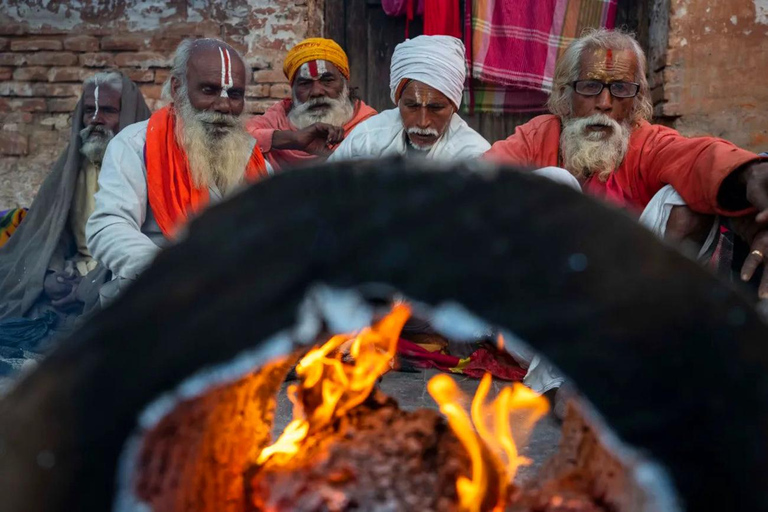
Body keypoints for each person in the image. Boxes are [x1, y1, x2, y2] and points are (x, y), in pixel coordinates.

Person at [484, 29, 768, 297]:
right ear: (566, 93)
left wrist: (749, 174)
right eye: (590, 86)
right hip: (544, 296)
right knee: (551, 183)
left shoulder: (645, 142)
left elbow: (697, 157)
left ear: (636, 99)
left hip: (629, 297)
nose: (605, 103)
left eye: (620, 88)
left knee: (682, 200)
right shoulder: (539, 135)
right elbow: (481, 178)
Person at [86, 38, 270, 305]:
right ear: (177, 87)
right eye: (209, 90)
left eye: (235, 94)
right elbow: (108, 226)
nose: (223, 106)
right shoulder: (135, 145)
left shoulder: (249, 153)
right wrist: (173, 271)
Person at [0, 72, 150, 344]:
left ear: (128, 114)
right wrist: (49, 274)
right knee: (21, 297)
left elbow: (143, 249)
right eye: (89, 110)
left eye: (107, 110)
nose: (95, 120)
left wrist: (90, 285)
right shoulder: (73, 167)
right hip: (74, 271)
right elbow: (50, 231)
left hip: (117, 273)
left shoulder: (150, 166)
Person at [328, 35, 490, 162]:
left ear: (454, 106)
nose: (423, 122)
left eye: (436, 108)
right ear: (398, 100)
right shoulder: (367, 138)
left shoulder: (473, 155)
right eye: (412, 106)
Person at [246, 38, 377, 171]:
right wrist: (293, 140)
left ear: (345, 86)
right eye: (305, 84)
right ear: (293, 92)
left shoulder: (368, 123)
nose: (316, 92)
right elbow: (239, 137)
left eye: (327, 81)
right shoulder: (279, 117)